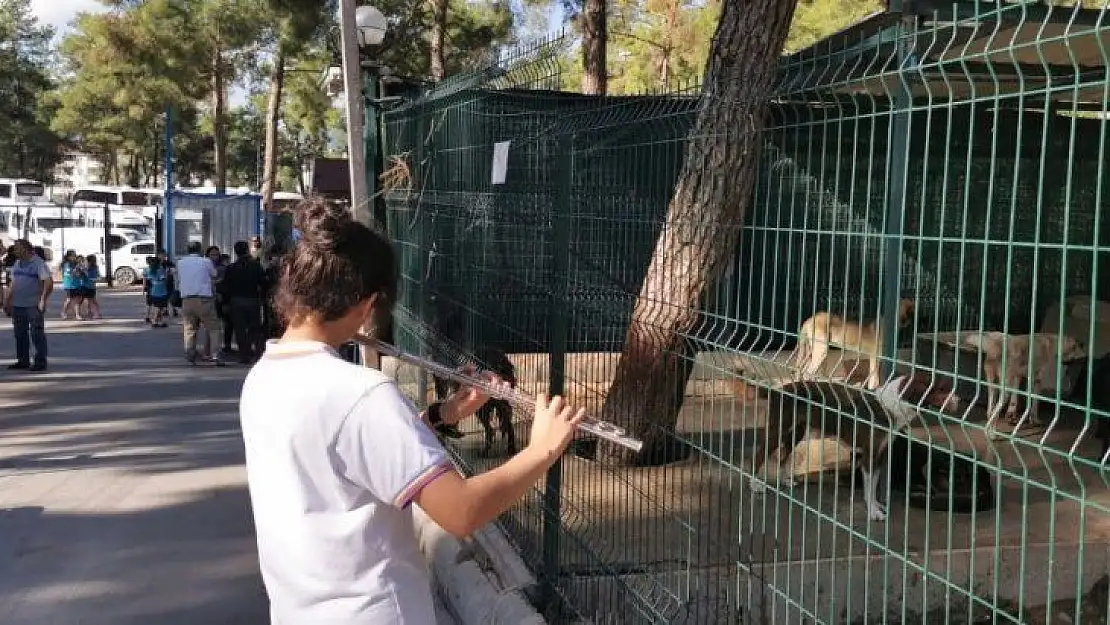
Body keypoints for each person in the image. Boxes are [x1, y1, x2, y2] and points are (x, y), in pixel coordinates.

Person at [238, 199, 585, 623]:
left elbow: (349, 461)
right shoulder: (360, 394)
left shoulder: (264, 378)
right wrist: (541, 451)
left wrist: (443, 416)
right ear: (367, 304)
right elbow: (460, 512)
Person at [5, 239, 53, 371]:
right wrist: (7, 300)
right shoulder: (17, 264)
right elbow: (13, 284)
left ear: (25, 249)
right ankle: (23, 360)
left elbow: (48, 282)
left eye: (17, 248)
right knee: (20, 333)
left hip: (33, 305)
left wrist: (43, 299)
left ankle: (40, 361)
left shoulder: (38, 263)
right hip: (18, 304)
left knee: (36, 333)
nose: (15, 251)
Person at [176, 241, 225, 366]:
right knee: (214, 328)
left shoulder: (180, 262)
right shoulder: (206, 262)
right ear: (200, 250)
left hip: (187, 300)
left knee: (189, 329)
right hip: (204, 299)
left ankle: (190, 355)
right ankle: (215, 355)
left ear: (187, 250)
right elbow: (214, 274)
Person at [222, 240, 267, 364]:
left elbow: (226, 287)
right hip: (253, 299)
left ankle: (244, 356)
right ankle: (259, 353)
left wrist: (226, 302)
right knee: (256, 328)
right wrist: (263, 297)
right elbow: (263, 282)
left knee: (240, 329)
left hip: (236, 301)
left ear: (235, 252)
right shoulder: (256, 265)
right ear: (247, 250)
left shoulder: (231, 267)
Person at [143, 256, 170, 327]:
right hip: (161, 290)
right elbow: (163, 279)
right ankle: (154, 321)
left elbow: (148, 279)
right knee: (159, 307)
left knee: (158, 306)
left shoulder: (150, 270)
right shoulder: (160, 270)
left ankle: (161, 321)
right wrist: (167, 273)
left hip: (153, 290)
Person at [59, 250, 85, 320]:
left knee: (77, 300)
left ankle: (77, 314)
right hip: (69, 284)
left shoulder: (76, 264)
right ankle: (63, 312)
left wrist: (80, 269)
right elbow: (69, 273)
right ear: (68, 257)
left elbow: (79, 273)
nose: (74, 257)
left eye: (74, 256)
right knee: (69, 299)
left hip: (76, 284)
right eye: (72, 256)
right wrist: (76, 270)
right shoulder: (67, 264)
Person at [81, 254, 102, 320]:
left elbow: (98, 276)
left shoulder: (95, 267)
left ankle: (97, 313)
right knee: (86, 300)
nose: (86, 262)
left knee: (92, 300)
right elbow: (80, 274)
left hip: (91, 286)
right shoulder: (84, 267)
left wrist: (95, 279)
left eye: (87, 261)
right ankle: (89, 312)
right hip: (85, 286)